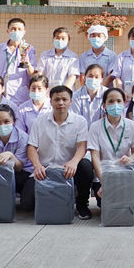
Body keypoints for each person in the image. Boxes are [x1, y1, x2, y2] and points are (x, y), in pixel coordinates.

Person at [26, 86, 93, 219]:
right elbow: (31, 147)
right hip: (46, 170)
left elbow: (82, 146)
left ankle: (82, 204)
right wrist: (37, 166)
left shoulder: (80, 121)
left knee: (85, 166)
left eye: (64, 99)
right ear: (50, 102)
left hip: (69, 170)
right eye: (56, 99)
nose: (60, 103)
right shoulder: (40, 121)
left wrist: (73, 162)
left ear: (70, 101)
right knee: (27, 204)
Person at [88, 88, 134, 207]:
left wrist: (130, 158)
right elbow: (95, 157)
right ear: (104, 105)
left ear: (124, 104)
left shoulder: (132, 126)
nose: (115, 104)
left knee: (125, 207)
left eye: (119, 101)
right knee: (107, 206)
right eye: (111, 101)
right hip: (103, 176)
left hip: (125, 174)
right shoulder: (95, 127)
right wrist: (105, 182)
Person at [0, 17, 37, 104]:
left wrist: (28, 64)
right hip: (1, 93)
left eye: (19, 29)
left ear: (24, 32)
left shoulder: (28, 49)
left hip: (21, 94)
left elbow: (33, 74)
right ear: (8, 31)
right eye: (13, 29)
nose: (16, 31)